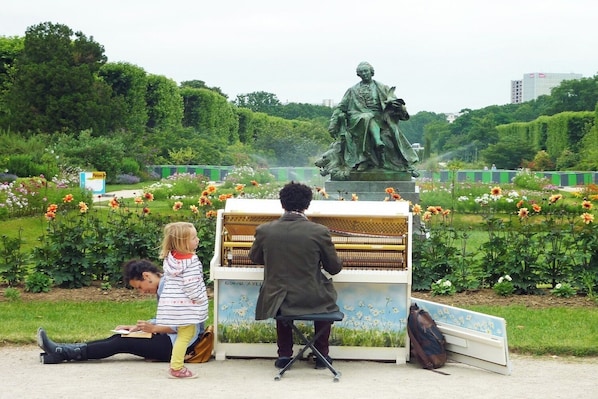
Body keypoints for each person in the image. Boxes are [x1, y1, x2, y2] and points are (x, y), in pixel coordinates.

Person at [37, 259, 208, 374]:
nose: (142, 292)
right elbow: (170, 318)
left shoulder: (168, 287)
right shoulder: (165, 285)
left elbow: (185, 324)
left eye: (139, 287)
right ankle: (60, 352)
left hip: (182, 344)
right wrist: (138, 327)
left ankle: (61, 351)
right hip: (174, 339)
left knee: (121, 342)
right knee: (119, 337)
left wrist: (153, 328)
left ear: (146, 276)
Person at [248, 181, 343, 369]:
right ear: (307, 205)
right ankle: (322, 355)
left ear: (282, 203)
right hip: (312, 297)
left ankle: (284, 355)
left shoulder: (265, 230)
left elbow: (255, 258)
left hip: (278, 297)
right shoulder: (319, 231)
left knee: (282, 303)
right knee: (324, 300)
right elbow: (333, 268)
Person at [315, 61, 419, 180]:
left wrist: (398, 107)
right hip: (357, 118)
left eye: (366, 71)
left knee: (390, 132)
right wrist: (333, 123)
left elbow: (395, 103)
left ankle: (407, 164)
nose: (364, 74)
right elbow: (340, 108)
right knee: (367, 117)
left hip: (381, 119)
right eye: (361, 72)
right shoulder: (352, 90)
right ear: (358, 74)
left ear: (371, 72)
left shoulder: (382, 88)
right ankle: (374, 144)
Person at [155, 222, 209, 378]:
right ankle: (176, 367)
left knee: (182, 334)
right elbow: (192, 285)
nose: (197, 240)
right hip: (186, 305)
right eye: (193, 238)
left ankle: (176, 364)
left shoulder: (170, 258)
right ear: (183, 242)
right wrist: (200, 298)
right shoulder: (191, 261)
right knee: (186, 334)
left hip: (172, 304)